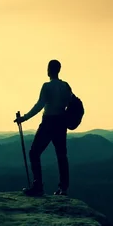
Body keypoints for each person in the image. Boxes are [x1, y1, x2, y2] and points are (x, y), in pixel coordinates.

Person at [14, 59, 72, 196]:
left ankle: (38, 185)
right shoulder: (66, 86)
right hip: (61, 122)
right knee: (61, 155)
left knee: (34, 152)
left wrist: (24, 118)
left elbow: (40, 105)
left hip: (48, 122)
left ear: (49, 70)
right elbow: (70, 102)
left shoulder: (47, 86)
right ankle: (63, 188)